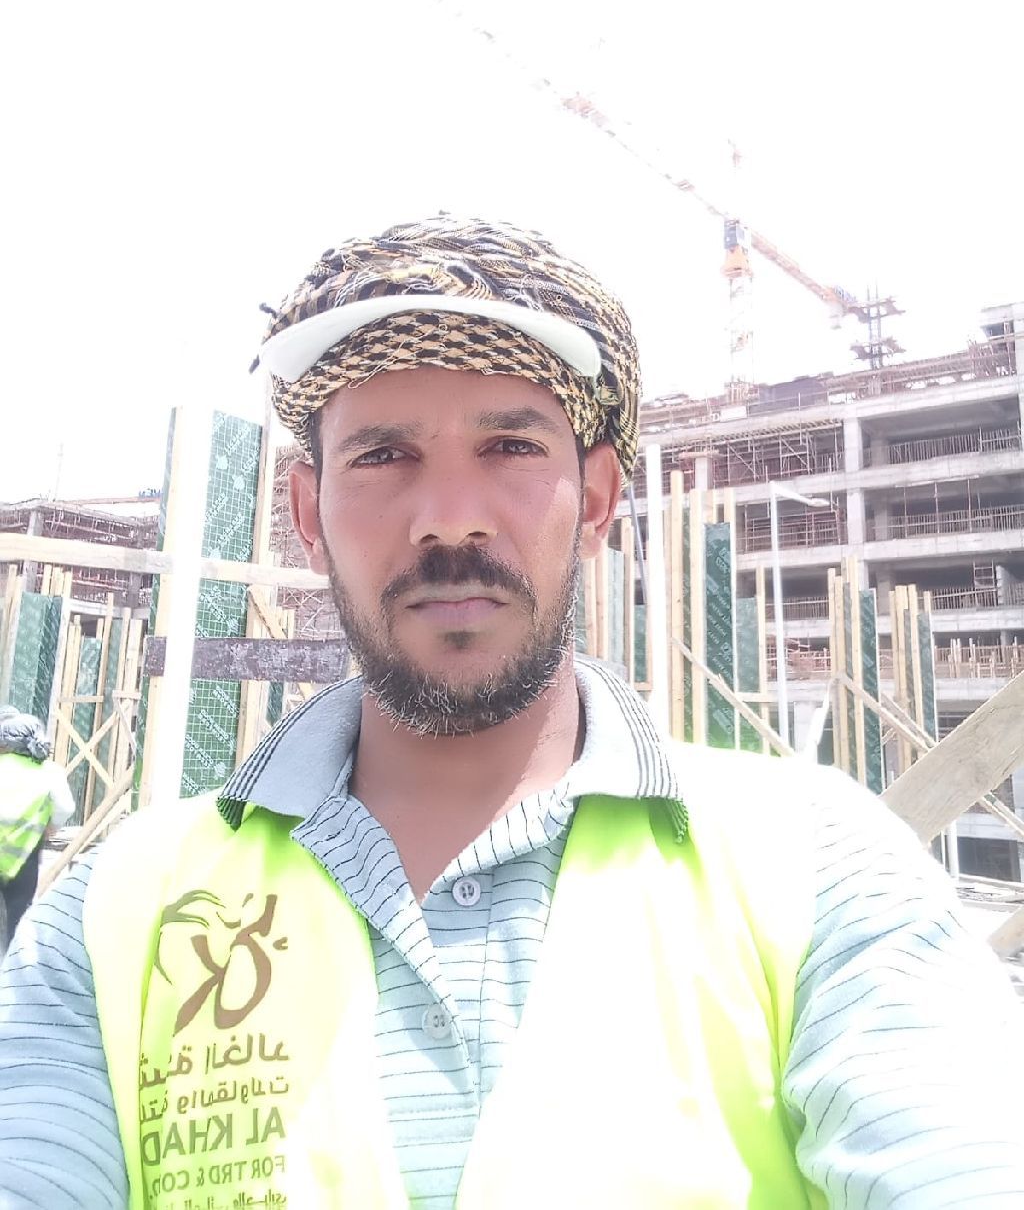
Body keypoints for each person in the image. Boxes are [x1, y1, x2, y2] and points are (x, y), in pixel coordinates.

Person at [1, 217, 1022, 1209]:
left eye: (509, 446)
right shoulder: (113, 912)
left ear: (599, 499)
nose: (449, 516)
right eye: (382, 456)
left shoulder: (819, 867)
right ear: (308, 515)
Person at [0, 705, 75, 954]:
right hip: (25, 857)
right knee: (17, 918)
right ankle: (13, 968)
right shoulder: (51, 772)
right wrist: (50, 827)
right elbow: (65, 808)